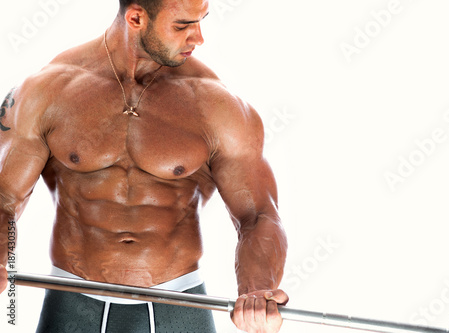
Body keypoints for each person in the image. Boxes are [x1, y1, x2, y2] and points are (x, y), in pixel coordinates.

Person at [0, 0, 288, 332]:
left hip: (179, 304)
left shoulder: (216, 105)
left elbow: (258, 215)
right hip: (73, 303)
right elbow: (5, 198)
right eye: (182, 26)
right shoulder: (47, 92)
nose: (199, 38)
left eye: (200, 21)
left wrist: (256, 289)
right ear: (137, 17)